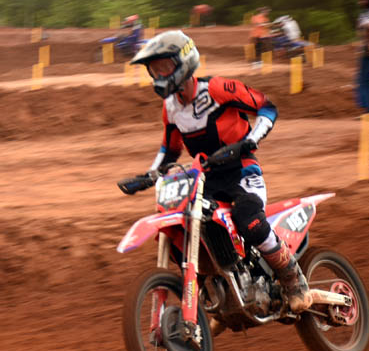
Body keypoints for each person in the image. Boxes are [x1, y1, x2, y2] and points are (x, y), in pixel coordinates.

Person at [117, 30, 311, 314]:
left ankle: (292, 278)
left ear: (183, 62)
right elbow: (170, 150)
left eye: (164, 67)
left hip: (241, 171)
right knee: (183, 226)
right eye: (154, 70)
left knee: (249, 220)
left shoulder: (217, 89)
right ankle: (216, 290)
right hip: (204, 179)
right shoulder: (170, 108)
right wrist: (147, 176)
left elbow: (267, 107)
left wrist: (249, 140)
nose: (158, 75)